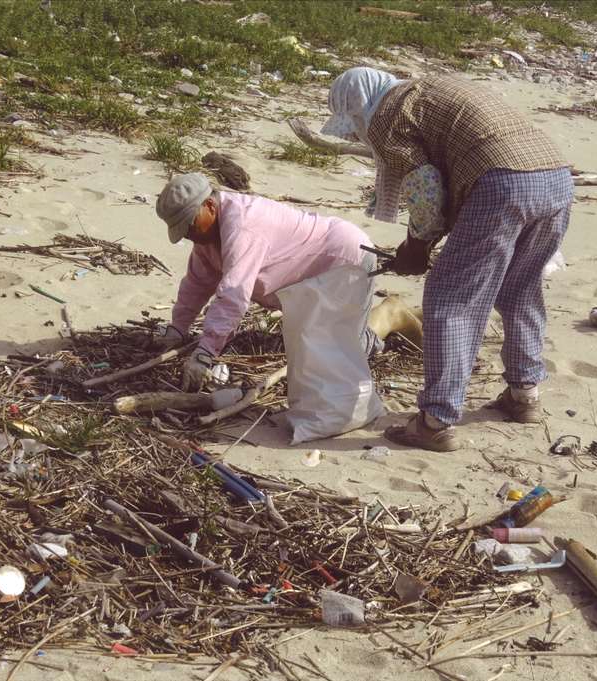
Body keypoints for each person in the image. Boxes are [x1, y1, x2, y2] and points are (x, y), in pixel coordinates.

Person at [322, 66, 573, 451]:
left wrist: (416, 248)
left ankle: (435, 421)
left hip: (501, 183)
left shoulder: (388, 112)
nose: (358, 132)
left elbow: (426, 189)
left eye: (354, 122)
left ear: (358, 106)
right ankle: (525, 396)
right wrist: (422, 240)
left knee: (450, 300)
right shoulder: (425, 91)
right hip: (555, 178)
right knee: (520, 288)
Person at [153, 173, 416, 391]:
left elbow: (233, 294)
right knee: (325, 343)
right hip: (312, 280)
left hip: (344, 262)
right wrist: (178, 329)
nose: (187, 235)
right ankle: (406, 313)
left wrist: (205, 353)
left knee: (350, 351)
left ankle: (392, 313)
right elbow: (198, 282)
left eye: (189, 226)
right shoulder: (207, 235)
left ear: (209, 206)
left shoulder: (242, 226)